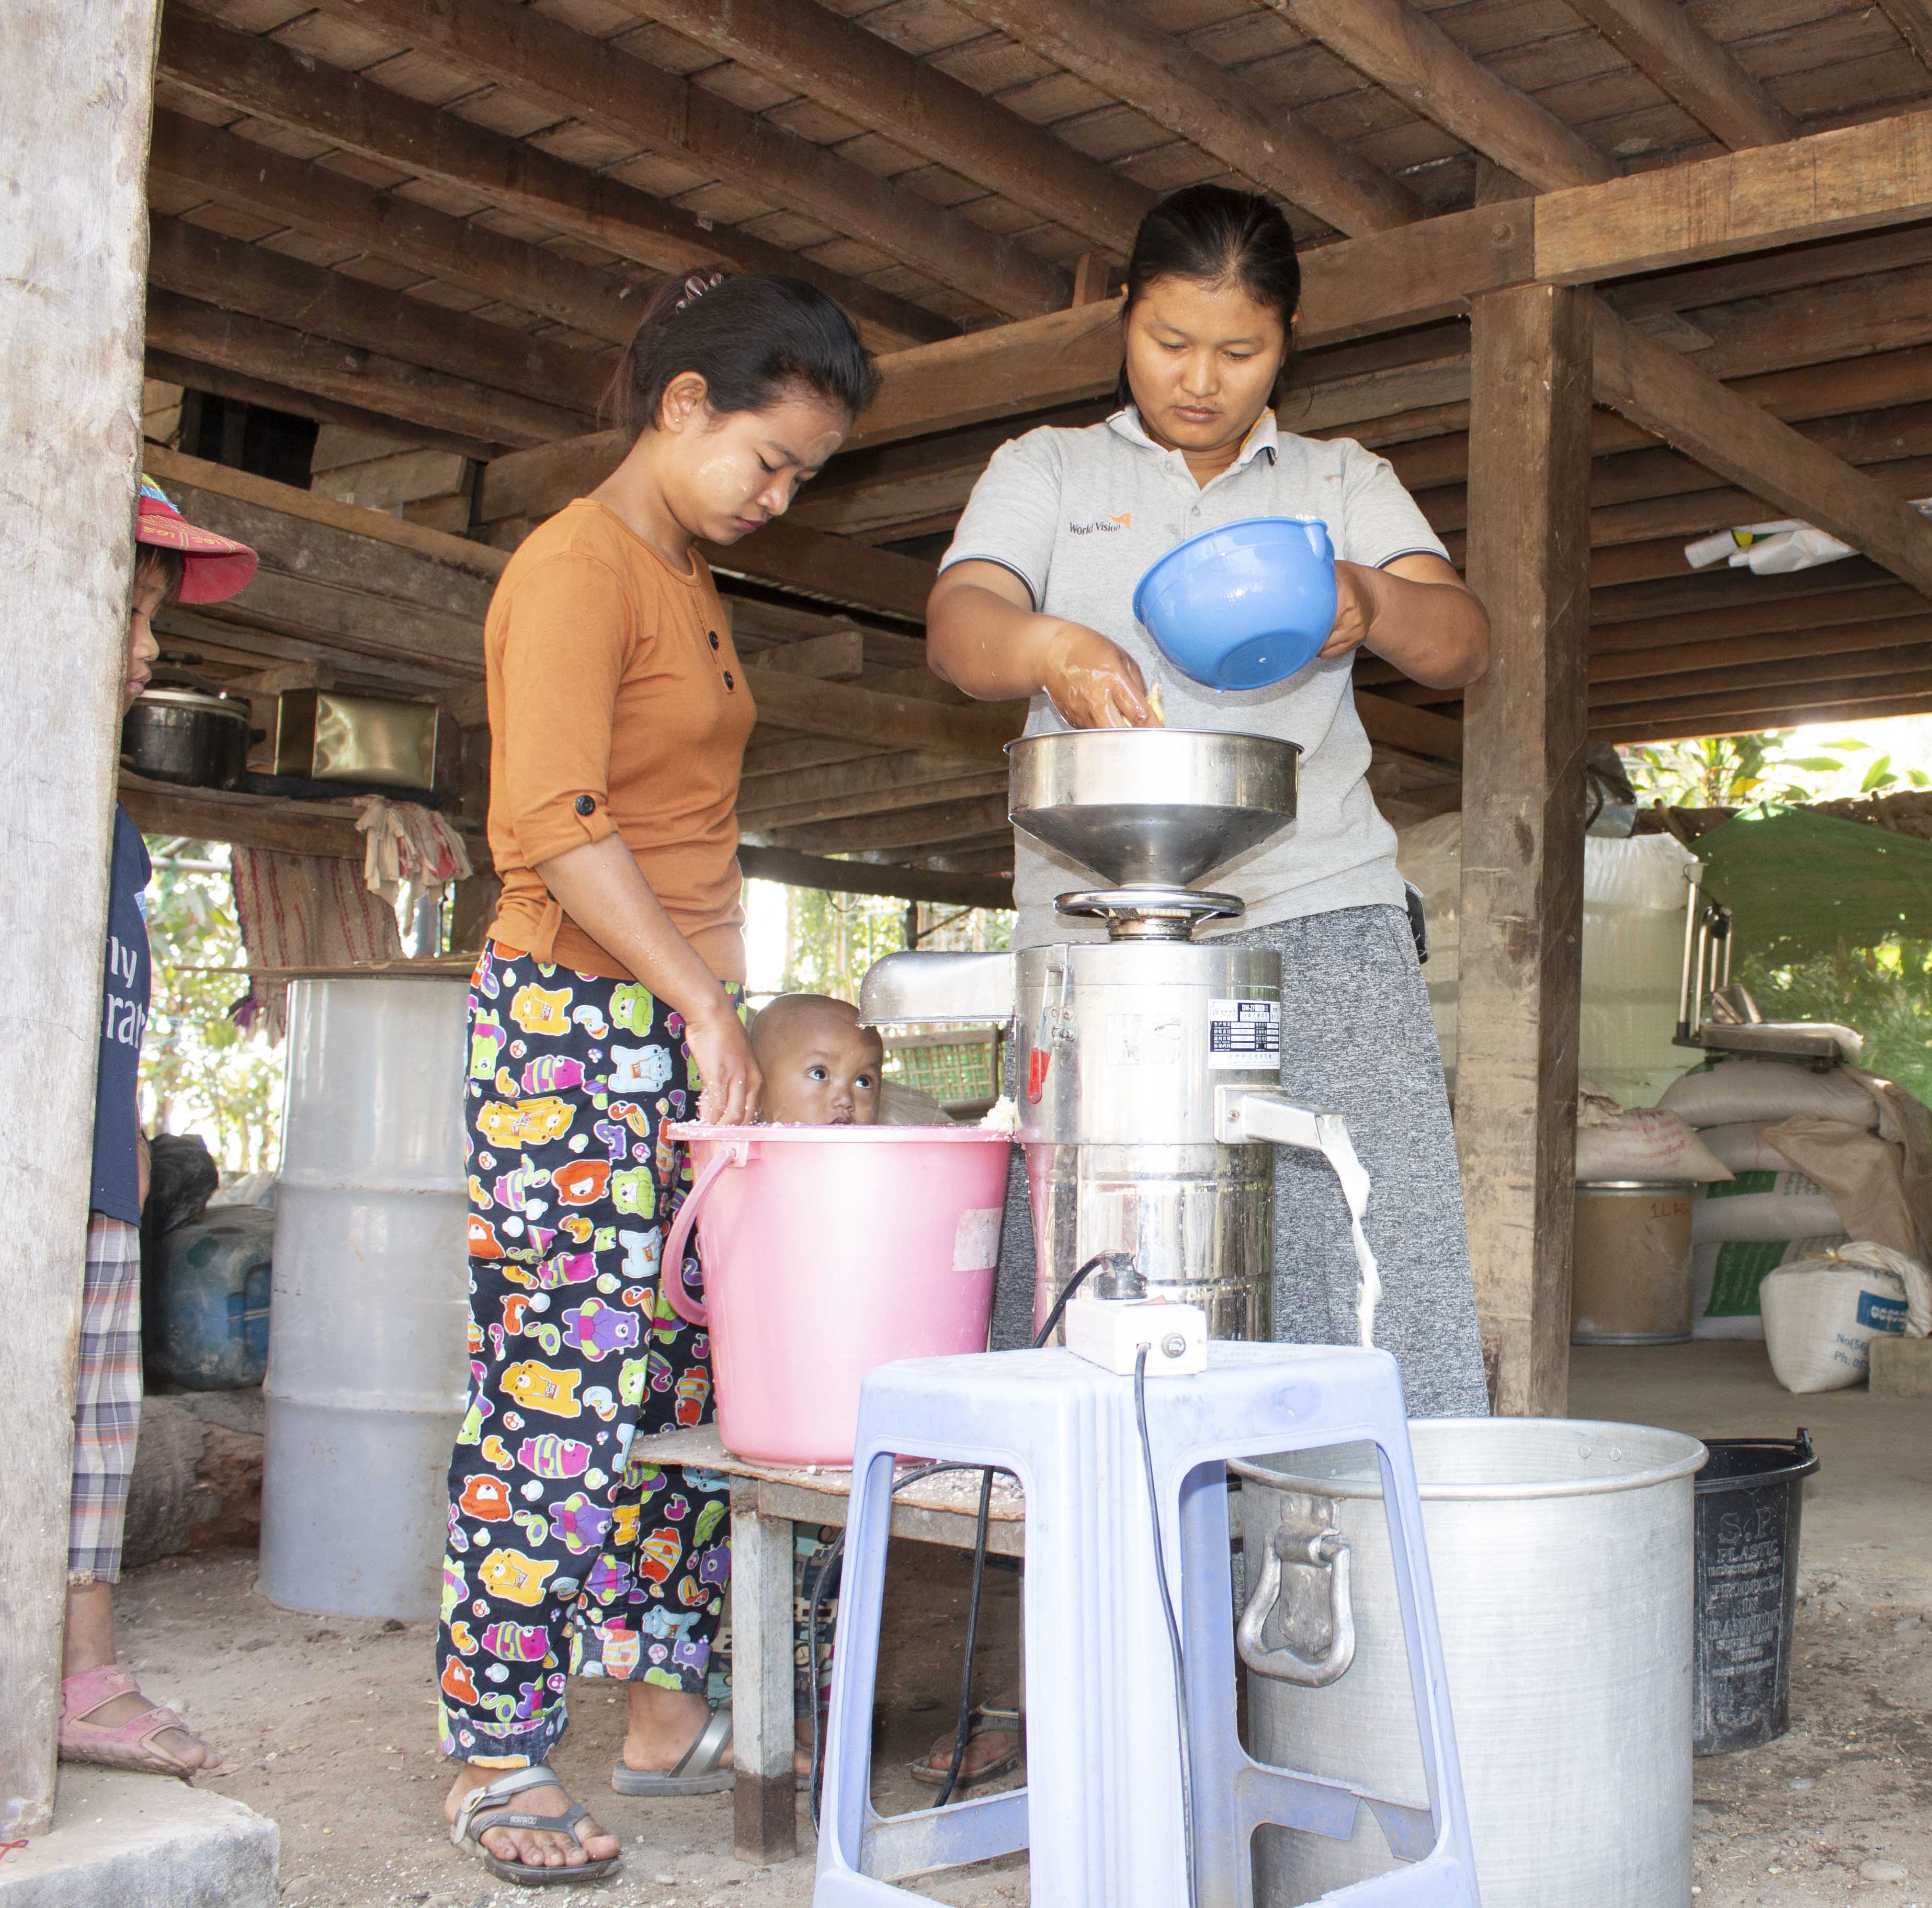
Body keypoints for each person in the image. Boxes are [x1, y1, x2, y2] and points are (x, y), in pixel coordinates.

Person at [922, 182, 1496, 1781]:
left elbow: (1463, 639)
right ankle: (1066, 1686)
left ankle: (1387, 1685)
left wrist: (1371, 602)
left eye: (1239, 351)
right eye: (1172, 340)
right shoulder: (1046, 472)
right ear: (1124, 320)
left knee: (1371, 1258)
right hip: (1097, 920)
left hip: (1314, 901)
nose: (1200, 377)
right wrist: (1040, 651)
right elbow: (961, 627)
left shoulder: (1337, 479)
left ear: (1285, 347)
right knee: (1086, 1286)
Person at [442, 269, 874, 1887]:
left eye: (805, 476)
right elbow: (548, 817)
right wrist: (704, 1000)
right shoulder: (575, 564)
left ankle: (655, 1714)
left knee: (681, 1381)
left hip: (666, 1022)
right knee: (557, 1387)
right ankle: (493, 1752)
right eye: (770, 460)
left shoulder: (683, 578)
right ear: (682, 404)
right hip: (575, 1019)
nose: (780, 496)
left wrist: (709, 1011)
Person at [56, 481, 258, 1779]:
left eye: (147, 620)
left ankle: (78, 1667)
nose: (146, 651)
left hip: (93, 1178)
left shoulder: (112, 827)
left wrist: (119, 1140)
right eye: (123, 615)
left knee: (88, 1440)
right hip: (34, 1182)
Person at [747, 993, 884, 1126]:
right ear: (757, 1089)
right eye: (819, 1074)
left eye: (864, 1082)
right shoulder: (735, 1147)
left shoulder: (882, 1149)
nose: (845, 1100)